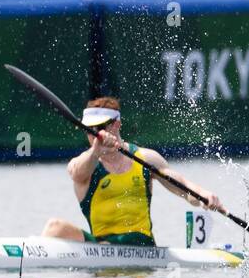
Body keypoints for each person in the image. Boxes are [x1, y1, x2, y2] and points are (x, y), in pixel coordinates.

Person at [41, 97, 223, 246]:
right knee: (54, 228)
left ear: (117, 124)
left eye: (100, 128)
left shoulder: (146, 159)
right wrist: (96, 151)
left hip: (141, 245)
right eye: (90, 130)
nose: (94, 135)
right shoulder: (84, 164)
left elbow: (183, 188)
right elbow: (76, 173)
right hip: (102, 249)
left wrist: (202, 195)